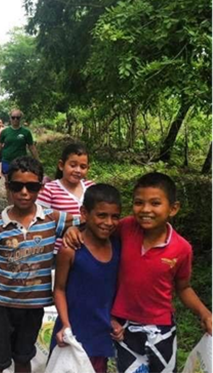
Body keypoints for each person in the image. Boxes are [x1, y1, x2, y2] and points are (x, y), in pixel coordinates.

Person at [65, 172, 213, 373]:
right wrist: (75, 229)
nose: (145, 210)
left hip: (161, 329)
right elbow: (97, 228)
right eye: (139, 202)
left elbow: (183, 287)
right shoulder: (125, 228)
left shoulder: (182, 248)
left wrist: (205, 314)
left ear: (173, 208)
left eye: (155, 203)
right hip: (124, 329)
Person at [0, 156, 78, 373]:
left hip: (33, 308)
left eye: (32, 186)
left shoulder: (52, 219)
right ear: (8, 186)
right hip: (0, 307)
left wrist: (74, 230)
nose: (24, 192)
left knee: (23, 358)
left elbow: (87, 222)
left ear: (41, 186)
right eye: (17, 186)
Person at [51, 184, 122, 373]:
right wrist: (65, 324)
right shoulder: (70, 250)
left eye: (115, 216)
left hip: (100, 335)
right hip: (71, 335)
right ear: (84, 213)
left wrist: (113, 319)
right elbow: (59, 289)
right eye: (101, 215)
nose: (108, 222)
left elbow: (109, 290)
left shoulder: (118, 246)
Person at [37, 143, 94, 252]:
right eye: (73, 165)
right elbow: (40, 220)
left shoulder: (91, 187)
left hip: (87, 251)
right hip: (58, 253)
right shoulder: (49, 189)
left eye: (83, 167)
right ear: (61, 165)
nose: (78, 170)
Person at [0, 109, 39, 175]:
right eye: (13, 117)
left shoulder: (26, 132)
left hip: (21, 162)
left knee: (19, 181)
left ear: (20, 119)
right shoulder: (5, 132)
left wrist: (38, 162)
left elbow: (32, 147)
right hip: (7, 161)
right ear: (10, 118)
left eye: (17, 118)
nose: (15, 119)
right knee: (8, 182)